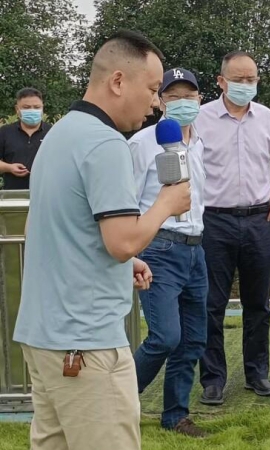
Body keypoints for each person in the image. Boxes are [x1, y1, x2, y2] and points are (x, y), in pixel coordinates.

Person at [12, 30, 191, 450]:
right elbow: (122, 242)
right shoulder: (106, 143)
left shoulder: (59, 135)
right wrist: (166, 204)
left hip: (43, 338)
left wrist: (121, 264)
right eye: (152, 89)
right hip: (86, 345)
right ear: (118, 81)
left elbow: (51, 228)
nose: (156, 103)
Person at [195, 51, 270, 405]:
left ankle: (257, 373)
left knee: (258, 303)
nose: (246, 85)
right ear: (221, 81)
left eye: (251, 79)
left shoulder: (267, 118)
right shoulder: (200, 118)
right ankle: (213, 379)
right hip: (214, 221)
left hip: (260, 220)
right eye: (238, 79)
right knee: (210, 304)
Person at [128, 68, 208, 437]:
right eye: (173, 96)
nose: (182, 103)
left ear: (200, 99)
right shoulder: (142, 143)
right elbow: (126, 201)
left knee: (192, 340)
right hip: (159, 247)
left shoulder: (199, 143)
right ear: (160, 101)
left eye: (188, 96)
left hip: (195, 249)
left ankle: (176, 416)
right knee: (164, 337)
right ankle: (116, 403)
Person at [0, 88, 51, 190]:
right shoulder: (4, 132)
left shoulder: (53, 132)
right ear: (17, 109)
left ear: (42, 108)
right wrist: (9, 168)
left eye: (36, 107)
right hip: (13, 194)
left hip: (46, 193)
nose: (32, 110)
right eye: (26, 107)